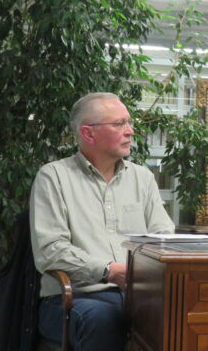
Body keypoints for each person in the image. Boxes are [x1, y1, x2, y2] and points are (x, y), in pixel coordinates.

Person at [30, 92, 174, 351]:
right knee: (104, 318)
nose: (130, 131)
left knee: (185, 312)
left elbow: (163, 235)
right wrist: (109, 270)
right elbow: (50, 251)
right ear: (88, 133)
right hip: (74, 297)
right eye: (119, 124)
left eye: (129, 122)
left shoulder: (142, 178)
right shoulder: (54, 177)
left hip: (138, 293)